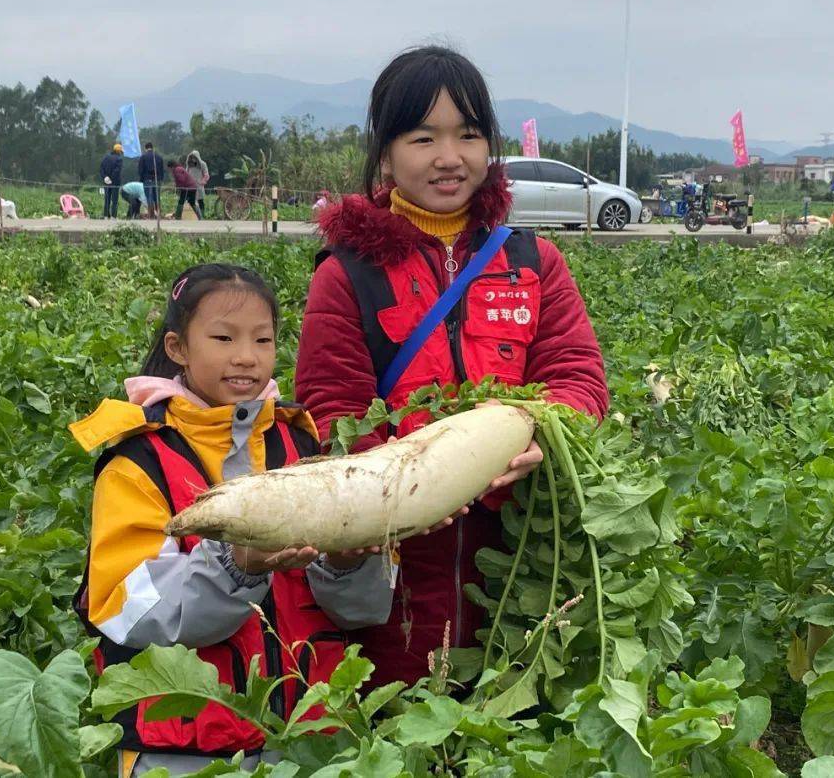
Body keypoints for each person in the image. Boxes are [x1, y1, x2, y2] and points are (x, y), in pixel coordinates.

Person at [294, 46, 609, 688]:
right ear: (386, 152)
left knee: (512, 722)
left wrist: (534, 431)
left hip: (520, 568)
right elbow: (334, 413)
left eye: (469, 135)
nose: (450, 156)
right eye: (424, 137)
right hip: (398, 575)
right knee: (401, 721)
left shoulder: (533, 261)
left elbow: (579, 379)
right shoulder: (346, 273)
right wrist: (411, 491)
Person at [70, 264, 393, 777]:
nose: (246, 356)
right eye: (223, 337)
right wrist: (232, 565)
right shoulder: (139, 464)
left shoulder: (303, 446)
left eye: (263, 340)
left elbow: (361, 614)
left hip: (312, 746)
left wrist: (347, 565)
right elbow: (125, 611)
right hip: (183, 755)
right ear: (177, 348)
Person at [138, 141, 166, 219]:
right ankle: (158, 214)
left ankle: (151, 215)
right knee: (157, 197)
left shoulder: (143, 157)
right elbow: (162, 170)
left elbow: (140, 170)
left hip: (147, 179)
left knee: (149, 197)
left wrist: (141, 179)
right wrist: (161, 179)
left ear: (145, 148)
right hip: (157, 180)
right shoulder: (159, 157)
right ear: (152, 147)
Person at [100, 143, 124, 219]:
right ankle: (113, 216)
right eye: (121, 151)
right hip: (115, 182)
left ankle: (106, 216)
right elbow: (117, 171)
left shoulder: (106, 157)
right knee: (114, 200)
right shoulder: (119, 159)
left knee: (107, 199)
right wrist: (111, 179)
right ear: (119, 151)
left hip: (106, 182)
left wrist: (105, 177)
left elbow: (101, 169)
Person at [185, 150, 210, 217]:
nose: (193, 158)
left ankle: (202, 216)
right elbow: (186, 173)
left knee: (200, 201)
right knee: (191, 202)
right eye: (192, 157)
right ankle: (194, 216)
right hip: (190, 186)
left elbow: (206, 174)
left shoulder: (203, 164)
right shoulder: (189, 164)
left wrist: (202, 181)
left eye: (194, 157)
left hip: (199, 186)